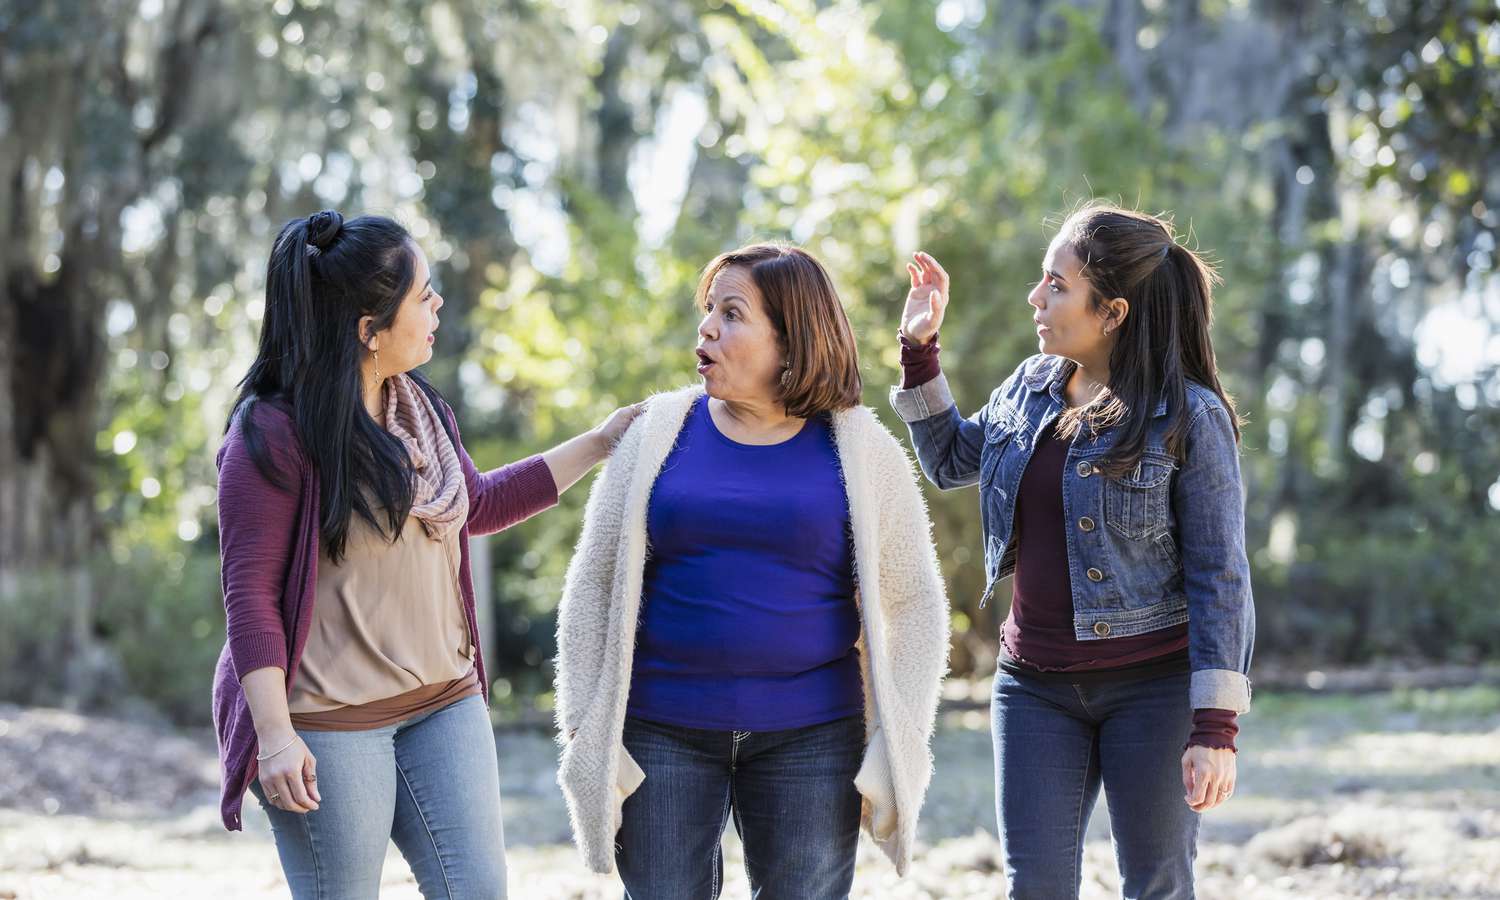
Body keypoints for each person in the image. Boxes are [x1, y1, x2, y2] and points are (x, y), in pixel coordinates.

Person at [212, 210, 640, 899]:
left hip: (445, 705)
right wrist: (274, 735)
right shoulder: (273, 434)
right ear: (368, 328)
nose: (438, 305)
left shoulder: (421, 411)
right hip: (330, 723)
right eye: (423, 295)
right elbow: (250, 595)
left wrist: (599, 442)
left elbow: (478, 503)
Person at [553, 243, 950, 898]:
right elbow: (594, 581)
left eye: (732, 313)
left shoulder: (861, 447)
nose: (707, 326)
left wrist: (901, 738)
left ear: (791, 339)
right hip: (659, 731)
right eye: (708, 309)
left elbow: (914, 602)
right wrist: (584, 720)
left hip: (813, 737)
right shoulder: (658, 431)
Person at [889, 202, 1254, 899]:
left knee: (1156, 885)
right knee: (1037, 889)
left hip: (1153, 688)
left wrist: (1215, 727)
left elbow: (1221, 575)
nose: (1037, 296)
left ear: (1111, 312)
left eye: (1056, 284)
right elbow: (947, 460)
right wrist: (919, 349)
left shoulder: (1191, 416)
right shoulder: (1030, 388)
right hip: (1033, 688)